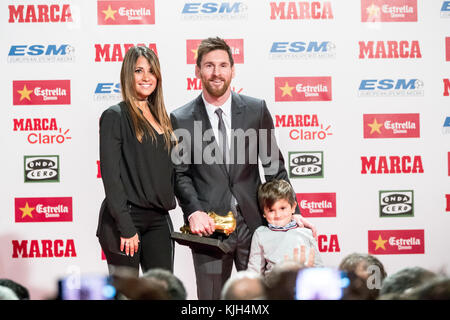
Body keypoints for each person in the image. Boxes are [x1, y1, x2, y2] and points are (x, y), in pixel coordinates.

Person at [170, 37, 316, 299]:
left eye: (223, 65)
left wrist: (294, 211)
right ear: (197, 71)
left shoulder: (255, 109)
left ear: (233, 70)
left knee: (262, 299)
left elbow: (274, 167)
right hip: (210, 230)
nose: (217, 73)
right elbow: (180, 174)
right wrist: (193, 212)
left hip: (256, 225)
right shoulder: (180, 118)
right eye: (209, 66)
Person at [97, 46, 176, 277]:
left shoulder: (164, 118)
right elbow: (111, 178)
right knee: (127, 294)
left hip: (159, 219)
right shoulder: (115, 116)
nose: (146, 77)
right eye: (138, 70)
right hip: (126, 219)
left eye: (151, 71)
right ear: (127, 75)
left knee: (163, 291)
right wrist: (126, 226)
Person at [247, 180, 323, 277]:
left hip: (301, 284)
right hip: (273, 287)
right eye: (271, 210)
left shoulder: (306, 233)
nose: (278, 215)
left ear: (293, 207)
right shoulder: (260, 234)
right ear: (263, 213)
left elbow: (318, 267)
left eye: (282, 208)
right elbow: (254, 271)